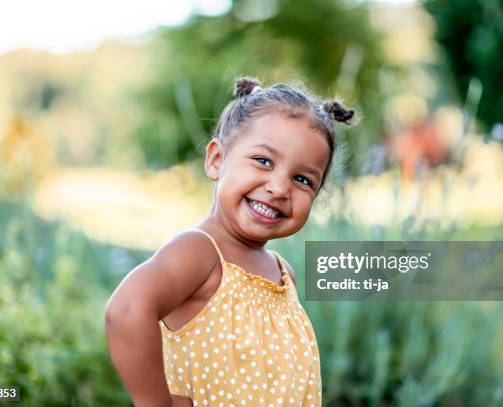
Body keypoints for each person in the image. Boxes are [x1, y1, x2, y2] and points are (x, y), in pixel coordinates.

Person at [105, 77, 355, 406]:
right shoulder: (200, 252)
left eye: (302, 179)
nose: (280, 188)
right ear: (216, 160)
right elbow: (126, 311)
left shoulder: (284, 275)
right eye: (264, 161)